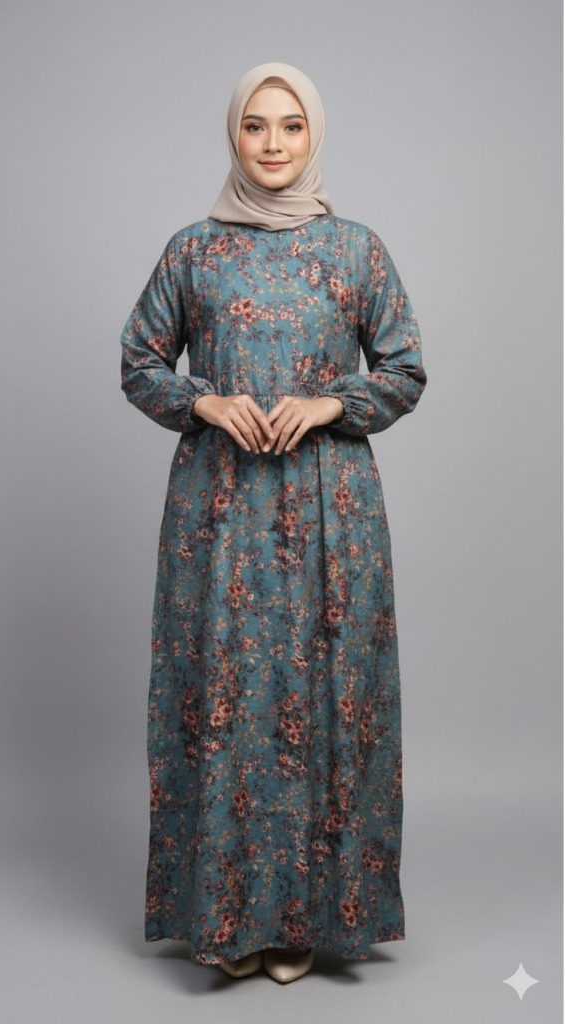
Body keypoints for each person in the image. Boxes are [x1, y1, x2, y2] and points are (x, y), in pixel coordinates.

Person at [121, 62, 426, 984]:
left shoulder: (358, 250)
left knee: (327, 697)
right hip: (219, 512)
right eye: (255, 126)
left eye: (291, 126)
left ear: (314, 134)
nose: (273, 144)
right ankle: (229, 917)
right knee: (225, 700)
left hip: (331, 510)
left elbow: (405, 369)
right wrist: (204, 403)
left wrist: (332, 403)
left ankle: (305, 921)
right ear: (233, 135)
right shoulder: (192, 252)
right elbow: (140, 362)